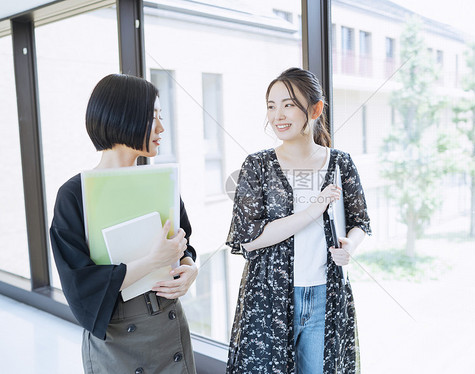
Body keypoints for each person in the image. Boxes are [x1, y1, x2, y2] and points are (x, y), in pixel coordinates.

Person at [50, 74, 198, 374]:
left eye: (161, 117)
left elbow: (184, 243)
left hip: (169, 325)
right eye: (152, 117)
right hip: (117, 339)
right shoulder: (74, 194)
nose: (161, 128)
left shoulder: (159, 181)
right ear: (122, 117)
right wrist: (153, 260)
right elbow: (81, 286)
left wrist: (190, 268)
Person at [226, 67, 371, 374]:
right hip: (270, 296)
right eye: (271, 105)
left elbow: (360, 222)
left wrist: (350, 246)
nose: (278, 114)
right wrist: (311, 211)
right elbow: (249, 238)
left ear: (315, 109)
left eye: (288, 104)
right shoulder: (257, 165)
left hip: (325, 294)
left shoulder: (340, 163)